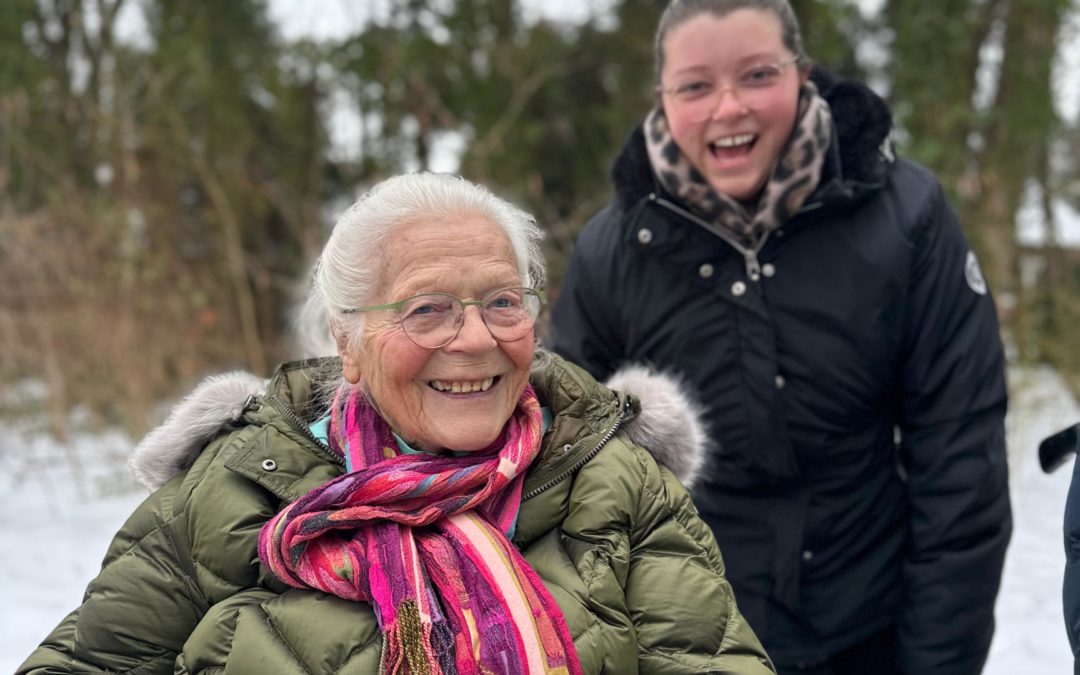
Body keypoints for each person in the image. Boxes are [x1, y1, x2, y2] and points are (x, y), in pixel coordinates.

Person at [18, 172, 774, 674]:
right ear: (347, 342)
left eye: (502, 302)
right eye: (427, 309)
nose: (475, 338)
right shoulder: (236, 484)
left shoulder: (617, 481)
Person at [549, 1, 1011, 673]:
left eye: (758, 74)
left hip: (870, 630)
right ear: (663, 98)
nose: (728, 107)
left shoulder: (908, 218)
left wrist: (937, 661)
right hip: (685, 643)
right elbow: (570, 480)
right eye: (696, 85)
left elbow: (960, 461)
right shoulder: (609, 253)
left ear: (802, 75)